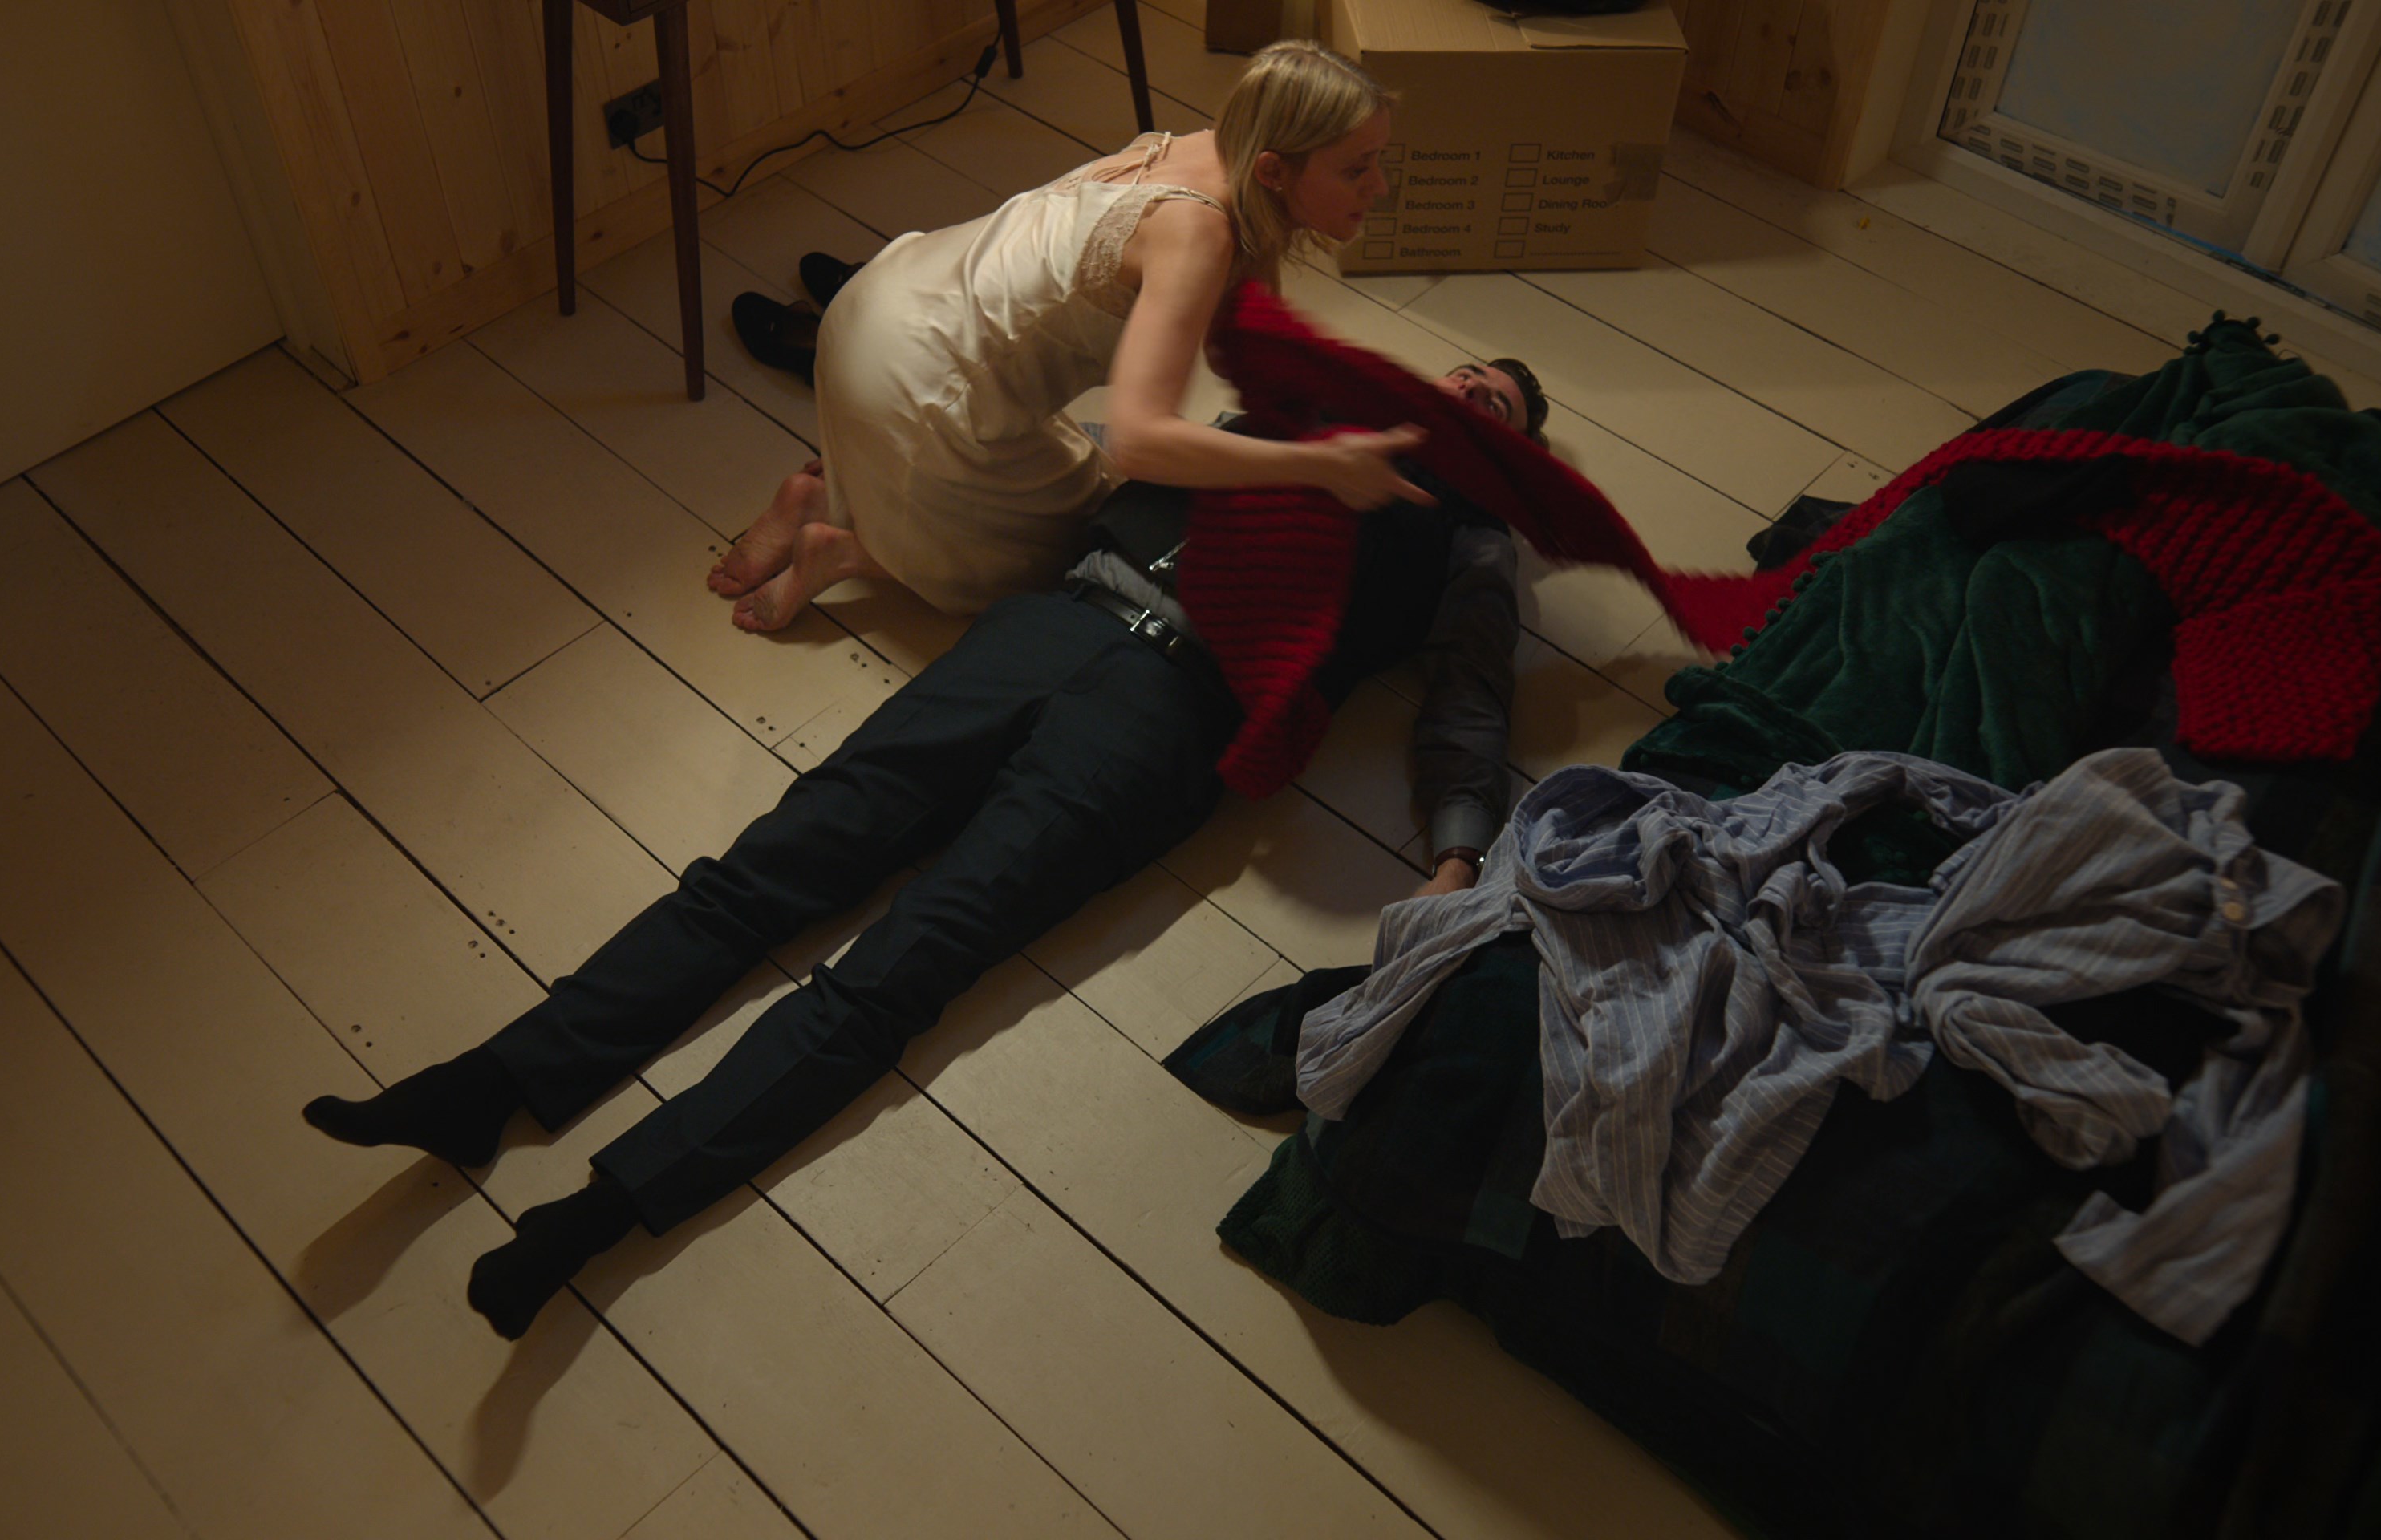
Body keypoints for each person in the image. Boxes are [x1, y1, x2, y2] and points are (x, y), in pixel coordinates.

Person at [302, 360, 1548, 1339]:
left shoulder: (1467, 543)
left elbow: (1470, 704)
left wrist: (1455, 859)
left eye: (1499, 406)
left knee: (909, 961)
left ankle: (599, 1214)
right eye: (1461, 375)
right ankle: (492, 1086)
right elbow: (1108, 451)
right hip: (1053, 626)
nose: (1469, 390)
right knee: (773, 866)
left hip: (1172, 717)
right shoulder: (1290, 413)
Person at [709, 39, 1430, 633]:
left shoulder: (1215, 151)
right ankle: (842, 549)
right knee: (1073, 553)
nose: (1380, 187)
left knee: (1089, 478)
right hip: (917, 384)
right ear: (1274, 169)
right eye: (1357, 168)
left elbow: (1247, 341)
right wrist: (1320, 467)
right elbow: (1141, 440)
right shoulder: (1197, 234)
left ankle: (818, 495)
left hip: (883, 298)